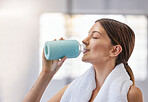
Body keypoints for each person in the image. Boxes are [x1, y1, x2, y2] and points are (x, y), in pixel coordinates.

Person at [23, 18, 143, 102]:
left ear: (114, 50)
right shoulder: (73, 90)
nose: (85, 40)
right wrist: (46, 73)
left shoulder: (130, 94)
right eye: (88, 34)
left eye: (95, 36)